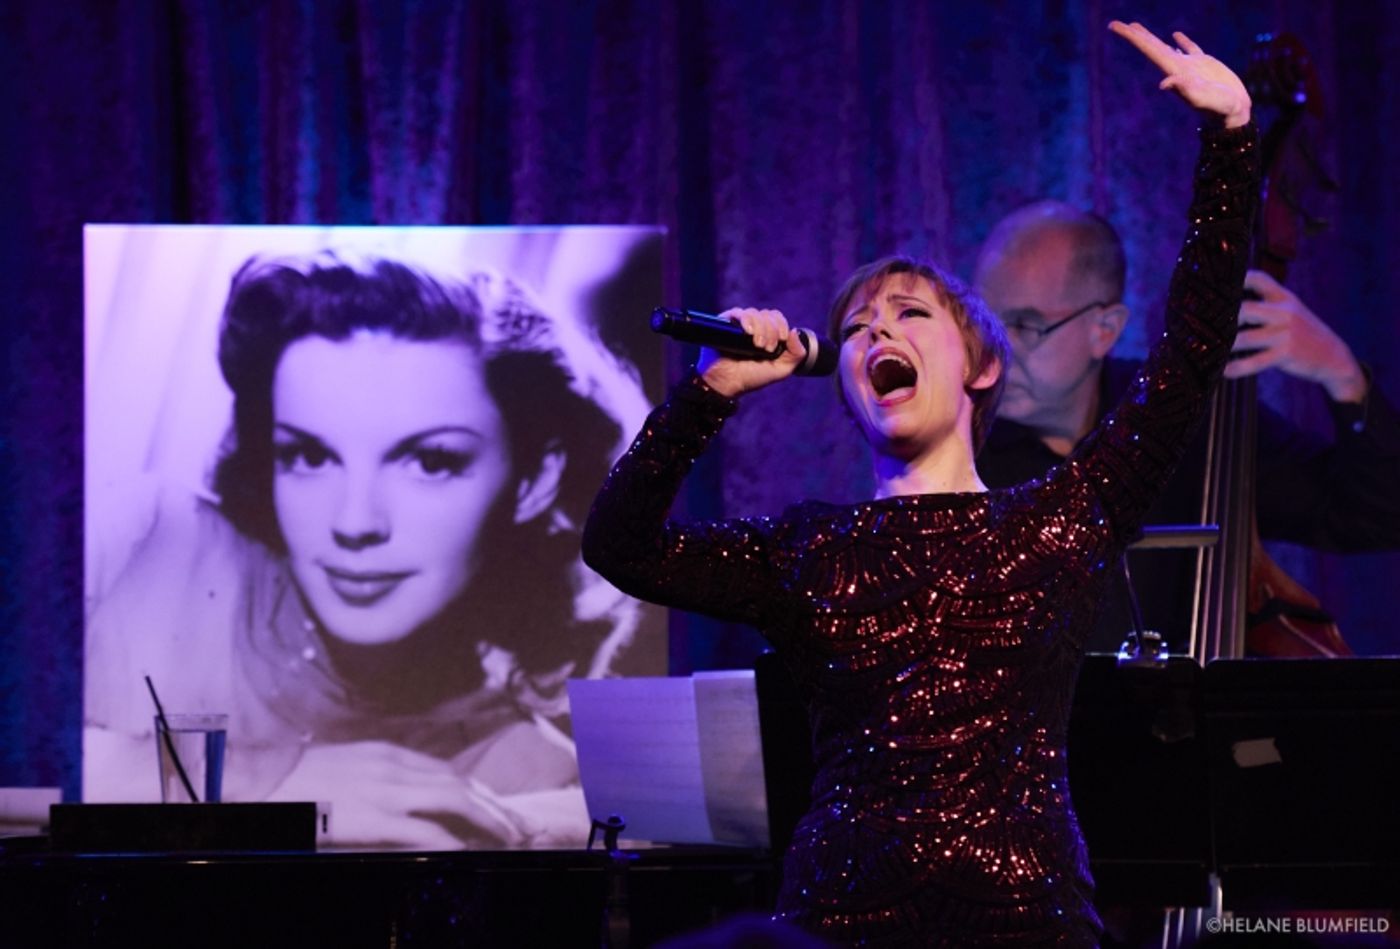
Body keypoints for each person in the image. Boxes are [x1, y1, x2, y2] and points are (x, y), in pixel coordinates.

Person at [583, 20, 1256, 947]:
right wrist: (712, 392)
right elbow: (619, 544)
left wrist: (1230, 147)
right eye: (857, 327)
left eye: (908, 314)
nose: (875, 334)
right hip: (836, 923)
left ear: (981, 366)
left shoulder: (1059, 519)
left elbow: (1187, 365)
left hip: (1028, 921)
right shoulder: (808, 550)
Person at [84, 253, 651, 849]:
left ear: (534, 480)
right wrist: (263, 783)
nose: (354, 523)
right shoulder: (140, 542)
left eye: (431, 463)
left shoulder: (536, 775)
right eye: (308, 456)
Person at [973, 199, 1400, 656]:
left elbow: (1377, 516)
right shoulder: (956, 446)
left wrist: (1343, 375)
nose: (996, 350)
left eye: (1025, 325)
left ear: (1106, 329)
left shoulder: (1186, 417)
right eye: (982, 321)